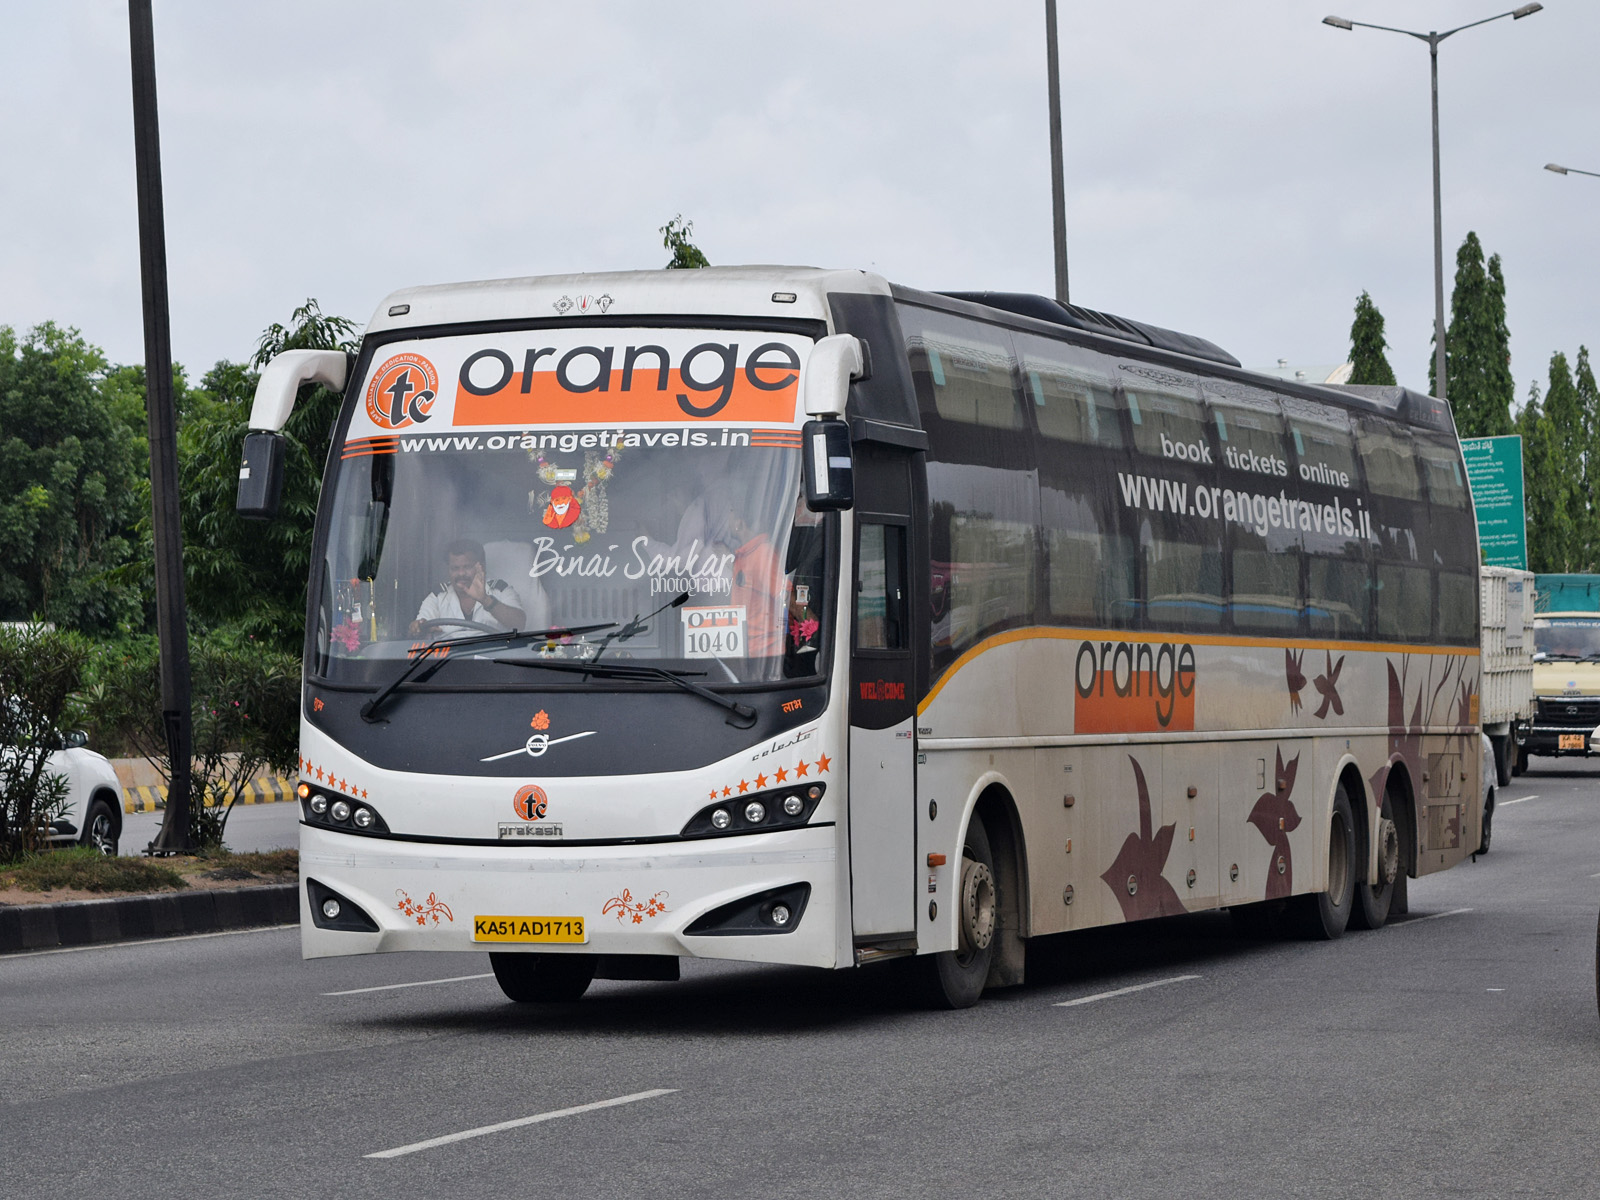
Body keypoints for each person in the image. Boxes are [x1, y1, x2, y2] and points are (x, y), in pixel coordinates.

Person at [411, 538, 527, 634]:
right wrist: (417, 628)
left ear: (482, 566)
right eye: (455, 568)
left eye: (467, 567)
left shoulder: (501, 590)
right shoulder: (437, 596)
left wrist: (485, 600)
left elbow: (519, 624)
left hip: (492, 659)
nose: (461, 574)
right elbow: (417, 628)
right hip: (448, 660)